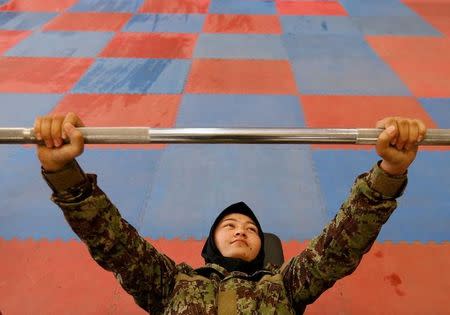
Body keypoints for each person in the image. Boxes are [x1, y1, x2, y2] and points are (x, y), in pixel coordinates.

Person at [35, 113, 426, 314]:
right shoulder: (172, 282)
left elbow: (339, 246)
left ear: (262, 246)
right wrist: (63, 173)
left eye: (251, 228)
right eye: (230, 225)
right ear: (210, 243)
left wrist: (389, 172)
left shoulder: (287, 284)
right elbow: (115, 242)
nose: (241, 231)